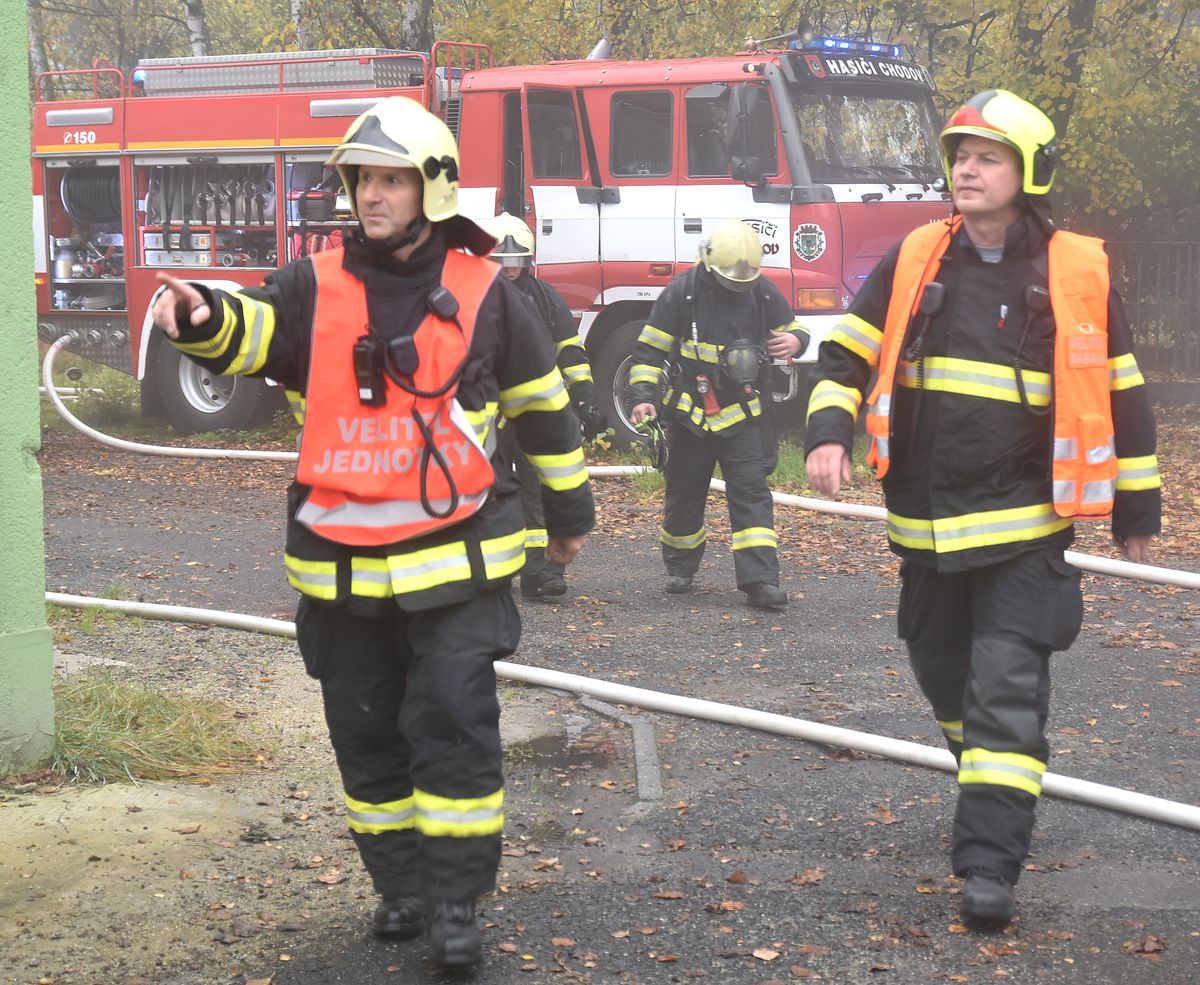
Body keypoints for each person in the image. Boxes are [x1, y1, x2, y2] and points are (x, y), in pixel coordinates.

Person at [150, 97, 594, 969]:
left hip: (457, 564)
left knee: (455, 728)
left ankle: (457, 902)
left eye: (392, 179)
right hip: (342, 569)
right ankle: (401, 885)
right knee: (366, 735)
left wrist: (571, 515)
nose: (373, 195)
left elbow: (545, 408)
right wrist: (204, 319)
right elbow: (256, 331)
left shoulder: (486, 292)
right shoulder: (313, 283)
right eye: (362, 180)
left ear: (433, 189)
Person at [804, 89, 1161, 928]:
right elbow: (848, 351)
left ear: (1028, 172)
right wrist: (827, 432)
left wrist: (1136, 506)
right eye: (961, 155)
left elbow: (1124, 389)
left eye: (987, 157)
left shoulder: (1076, 270)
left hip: (1024, 530)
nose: (967, 169)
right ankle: (998, 776)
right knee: (943, 674)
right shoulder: (917, 255)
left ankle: (989, 867)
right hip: (925, 530)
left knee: (1004, 689)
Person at [627, 219, 809, 610]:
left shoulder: (759, 289)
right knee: (684, 494)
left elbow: (793, 327)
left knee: (751, 495)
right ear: (710, 264)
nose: (738, 286)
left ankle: (761, 582)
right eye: (731, 281)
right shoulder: (683, 292)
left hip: (743, 413)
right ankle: (681, 567)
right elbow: (649, 352)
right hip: (691, 417)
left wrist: (796, 340)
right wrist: (643, 397)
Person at [484, 211, 607, 599]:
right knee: (488, 492)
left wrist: (585, 395)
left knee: (539, 491)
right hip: (487, 414)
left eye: (517, 259)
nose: (509, 267)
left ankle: (541, 574)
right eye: (502, 260)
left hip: (535, 412)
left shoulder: (544, 297)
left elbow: (569, 348)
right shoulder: (471, 298)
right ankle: (489, 573)